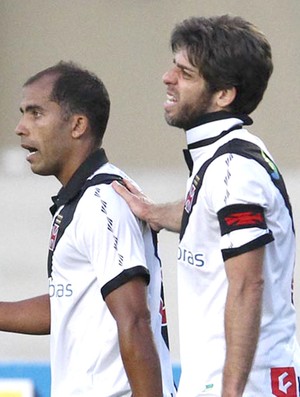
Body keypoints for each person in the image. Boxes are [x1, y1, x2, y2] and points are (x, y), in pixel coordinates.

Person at [112, 15, 300, 397]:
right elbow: (212, 215)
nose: (168, 77)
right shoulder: (231, 157)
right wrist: (154, 212)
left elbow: (249, 284)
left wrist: (231, 393)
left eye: (185, 72)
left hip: (246, 385)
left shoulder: (234, 170)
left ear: (223, 94)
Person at [0, 61, 176, 397]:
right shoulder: (81, 201)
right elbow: (70, 305)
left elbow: (135, 320)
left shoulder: (102, 201)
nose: (21, 127)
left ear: (78, 125)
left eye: (36, 113)